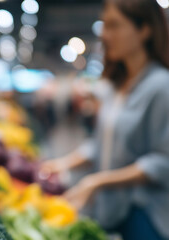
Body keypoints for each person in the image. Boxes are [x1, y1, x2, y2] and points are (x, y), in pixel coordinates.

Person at [41, 0, 169, 239]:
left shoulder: (161, 86)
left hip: (147, 216)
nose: (105, 34)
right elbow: (103, 144)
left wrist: (98, 181)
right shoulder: (114, 87)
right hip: (111, 211)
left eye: (114, 25)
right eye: (104, 25)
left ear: (144, 30)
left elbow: (162, 161)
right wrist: (63, 163)